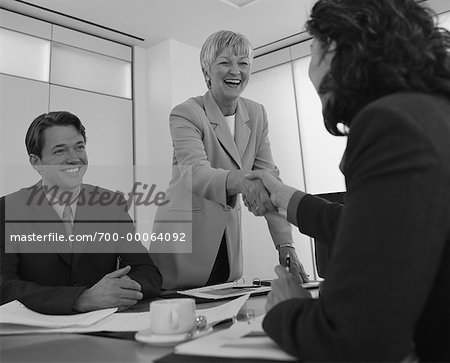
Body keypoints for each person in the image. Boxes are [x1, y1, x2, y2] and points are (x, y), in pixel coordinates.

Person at [247, 0, 450, 361]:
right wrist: (284, 197)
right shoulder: (432, 113)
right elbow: (379, 232)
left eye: (311, 50)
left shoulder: (391, 124)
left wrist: (286, 308)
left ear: (334, 48)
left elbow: (350, 337)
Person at [150, 30, 309, 290]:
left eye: (243, 63)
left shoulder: (256, 113)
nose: (235, 71)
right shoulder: (186, 113)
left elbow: (270, 180)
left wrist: (285, 245)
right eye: (225, 62)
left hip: (227, 239)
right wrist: (245, 181)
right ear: (206, 72)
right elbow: (196, 174)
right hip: (185, 238)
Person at [0, 111, 162, 314]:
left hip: (105, 329)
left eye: (80, 147)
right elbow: (4, 286)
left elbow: (147, 272)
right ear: (36, 162)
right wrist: (81, 299)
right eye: (60, 151)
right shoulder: (8, 209)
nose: (74, 158)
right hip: (38, 331)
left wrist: (122, 289)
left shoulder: (111, 205)